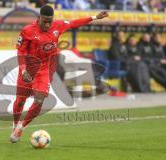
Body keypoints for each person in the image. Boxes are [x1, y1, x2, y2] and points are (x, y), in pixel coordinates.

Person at [10, 5, 108, 143]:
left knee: (39, 100)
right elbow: (20, 52)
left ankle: (21, 127)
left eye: (50, 21)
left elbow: (74, 23)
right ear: (39, 18)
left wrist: (94, 17)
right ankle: (14, 124)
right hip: (28, 70)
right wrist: (24, 69)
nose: (47, 24)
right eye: (45, 21)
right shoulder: (27, 31)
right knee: (20, 101)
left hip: (43, 70)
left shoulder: (57, 26)